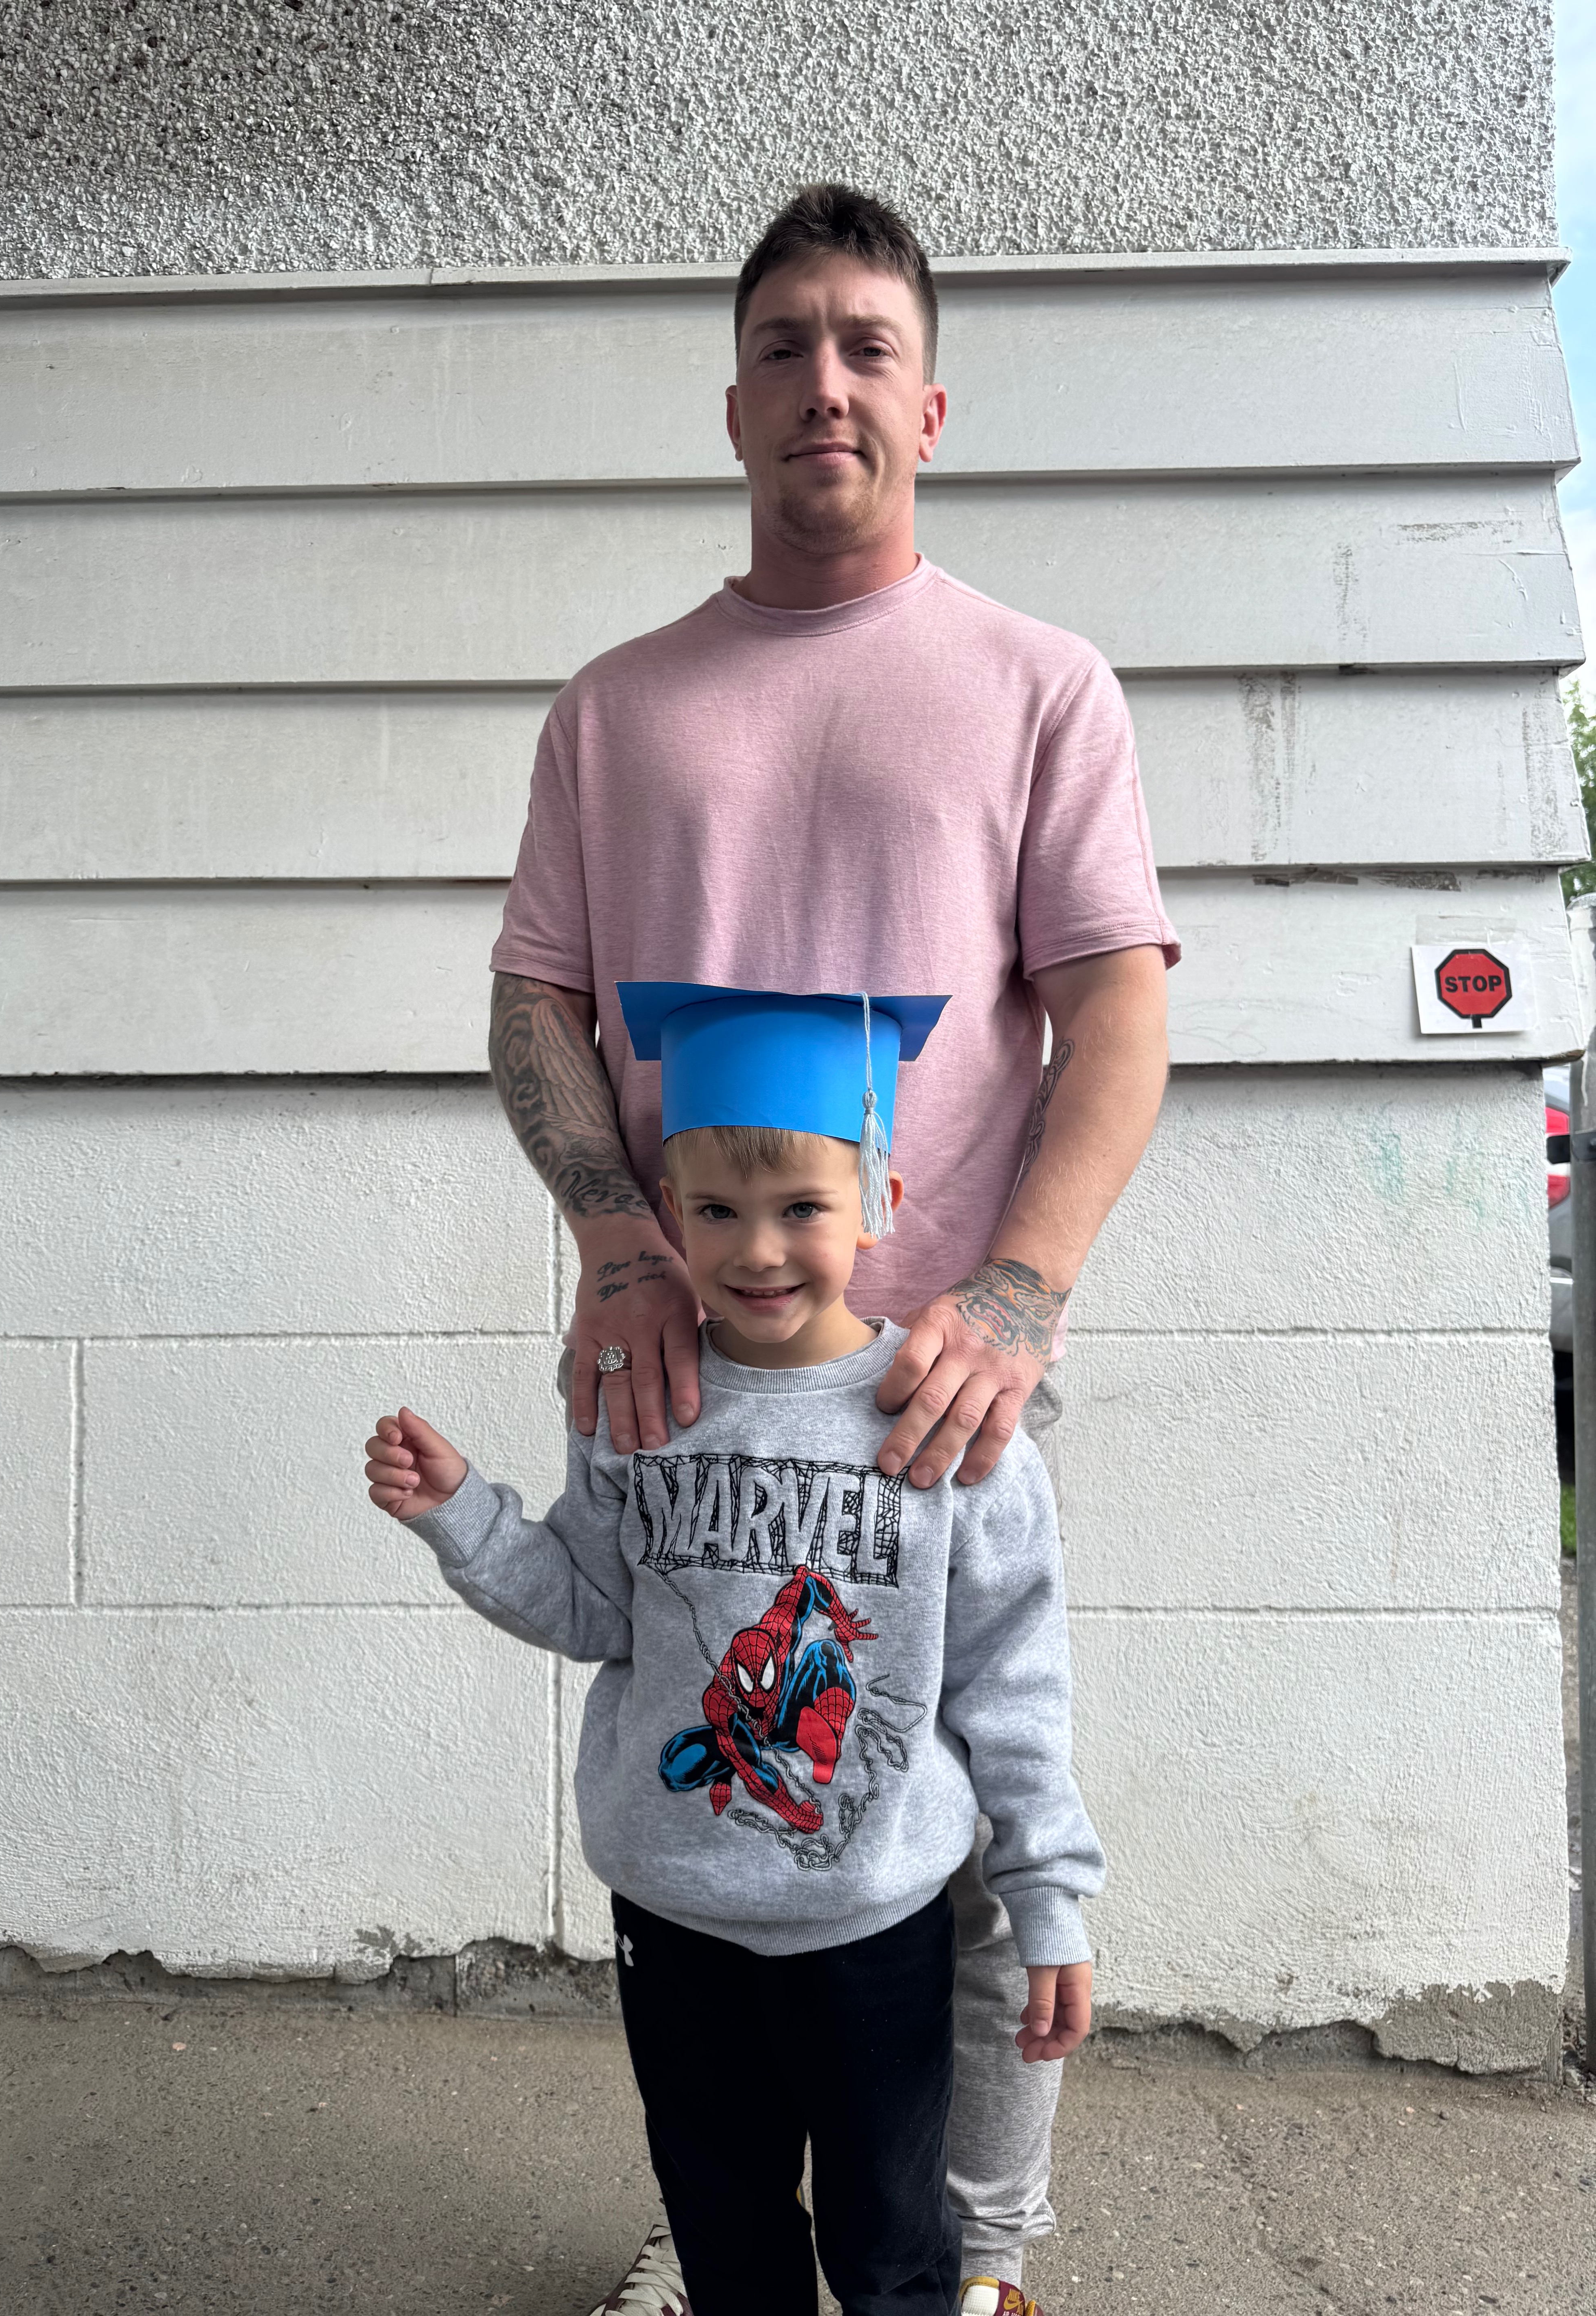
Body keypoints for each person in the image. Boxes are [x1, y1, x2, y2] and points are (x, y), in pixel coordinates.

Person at [485, 185, 1175, 2310]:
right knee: (729, 1836)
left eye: (868, 345)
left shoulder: (1037, 687)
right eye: (783, 344)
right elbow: (534, 1002)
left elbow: (1116, 1012)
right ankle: (735, 2243)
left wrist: (1014, 1294)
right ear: (732, 403)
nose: (824, 383)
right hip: (683, 1355)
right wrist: (616, 1238)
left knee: (961, 1844)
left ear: (929, 405)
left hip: (935, 1377)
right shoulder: (619, 710)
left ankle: (977, 2266)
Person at [365, 984, 1105, 2316]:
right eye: (714, 1212)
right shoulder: (642, 1398)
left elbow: (1013, 1682)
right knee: (724, 2222)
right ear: (666, 1210)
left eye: (801, 1209)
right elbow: (593, 1610)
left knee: (891, 2243)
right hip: (676, 1914)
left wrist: (1049, 1897)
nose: (758, 1250)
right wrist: (463, 1517)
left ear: (878, 1199)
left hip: (874, 1919)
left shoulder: (950, 1424)